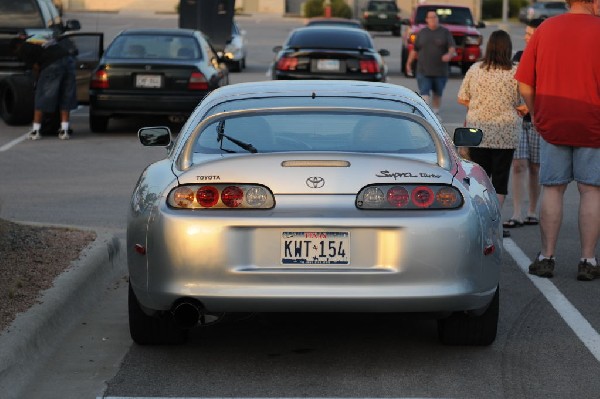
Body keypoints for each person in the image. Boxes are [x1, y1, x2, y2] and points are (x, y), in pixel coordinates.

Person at [515, 0, 600, 280]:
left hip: (552, 121)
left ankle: (546, 257)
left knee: (553, 189)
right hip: (593, 122)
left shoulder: (545, 29)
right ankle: (587, 260)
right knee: (591, 192)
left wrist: (537, 112)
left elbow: (524, 82)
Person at [457, 30, 524, 239]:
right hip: (506, 132)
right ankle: (495, 222)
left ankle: (480, 222)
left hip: (479, 131)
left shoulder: (476, 69)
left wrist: (479, 107)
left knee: (479, 179)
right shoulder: (516, 71)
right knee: (500, 179)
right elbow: (523, 102)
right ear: (508, 49)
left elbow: (462, 98)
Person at [503, 18, 545, 230]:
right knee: (518, 166)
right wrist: (522, 105)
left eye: (530, 34)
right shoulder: (519, 56)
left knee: (536, 168)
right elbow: (514, 85)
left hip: (539, 119)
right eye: (526, 33)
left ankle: (532, 212)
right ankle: (517, 213)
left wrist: (534, 106)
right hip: (519, 120)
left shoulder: (549, 57)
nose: (526, 37)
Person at [12, 32, 77, 140]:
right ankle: (64, 130)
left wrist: (38, 81)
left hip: (52, 64)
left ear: (17, 47)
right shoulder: (36, 38)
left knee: (41, 96)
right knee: (66, 96)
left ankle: (36, 131)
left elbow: (36, 67)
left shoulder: (24, 48)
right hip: (68, 60)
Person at [405, 10, 456, 119]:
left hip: (440, 71)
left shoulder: (444, 32)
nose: (433, 19)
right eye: (431, 17)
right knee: (424, 91)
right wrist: (409, 63)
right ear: (427, 20)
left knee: (437, 93)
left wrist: (449, 55)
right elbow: (415, 50)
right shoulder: (422, 33)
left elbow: (452, 47)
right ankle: (426, 114)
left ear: (438, 19)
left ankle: (436, 113)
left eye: (435, 17)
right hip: (423, 70)